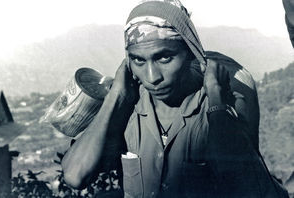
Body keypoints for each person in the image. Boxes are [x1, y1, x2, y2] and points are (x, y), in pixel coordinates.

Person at [61, 0, 288, 197]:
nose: (152, 77)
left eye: (164, 57)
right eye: (139, 60)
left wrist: (217, 102)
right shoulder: (129, 106)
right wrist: (116, 96)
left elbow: (246, 188)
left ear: (191, 53)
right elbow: (75, 176)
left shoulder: (223, 97)